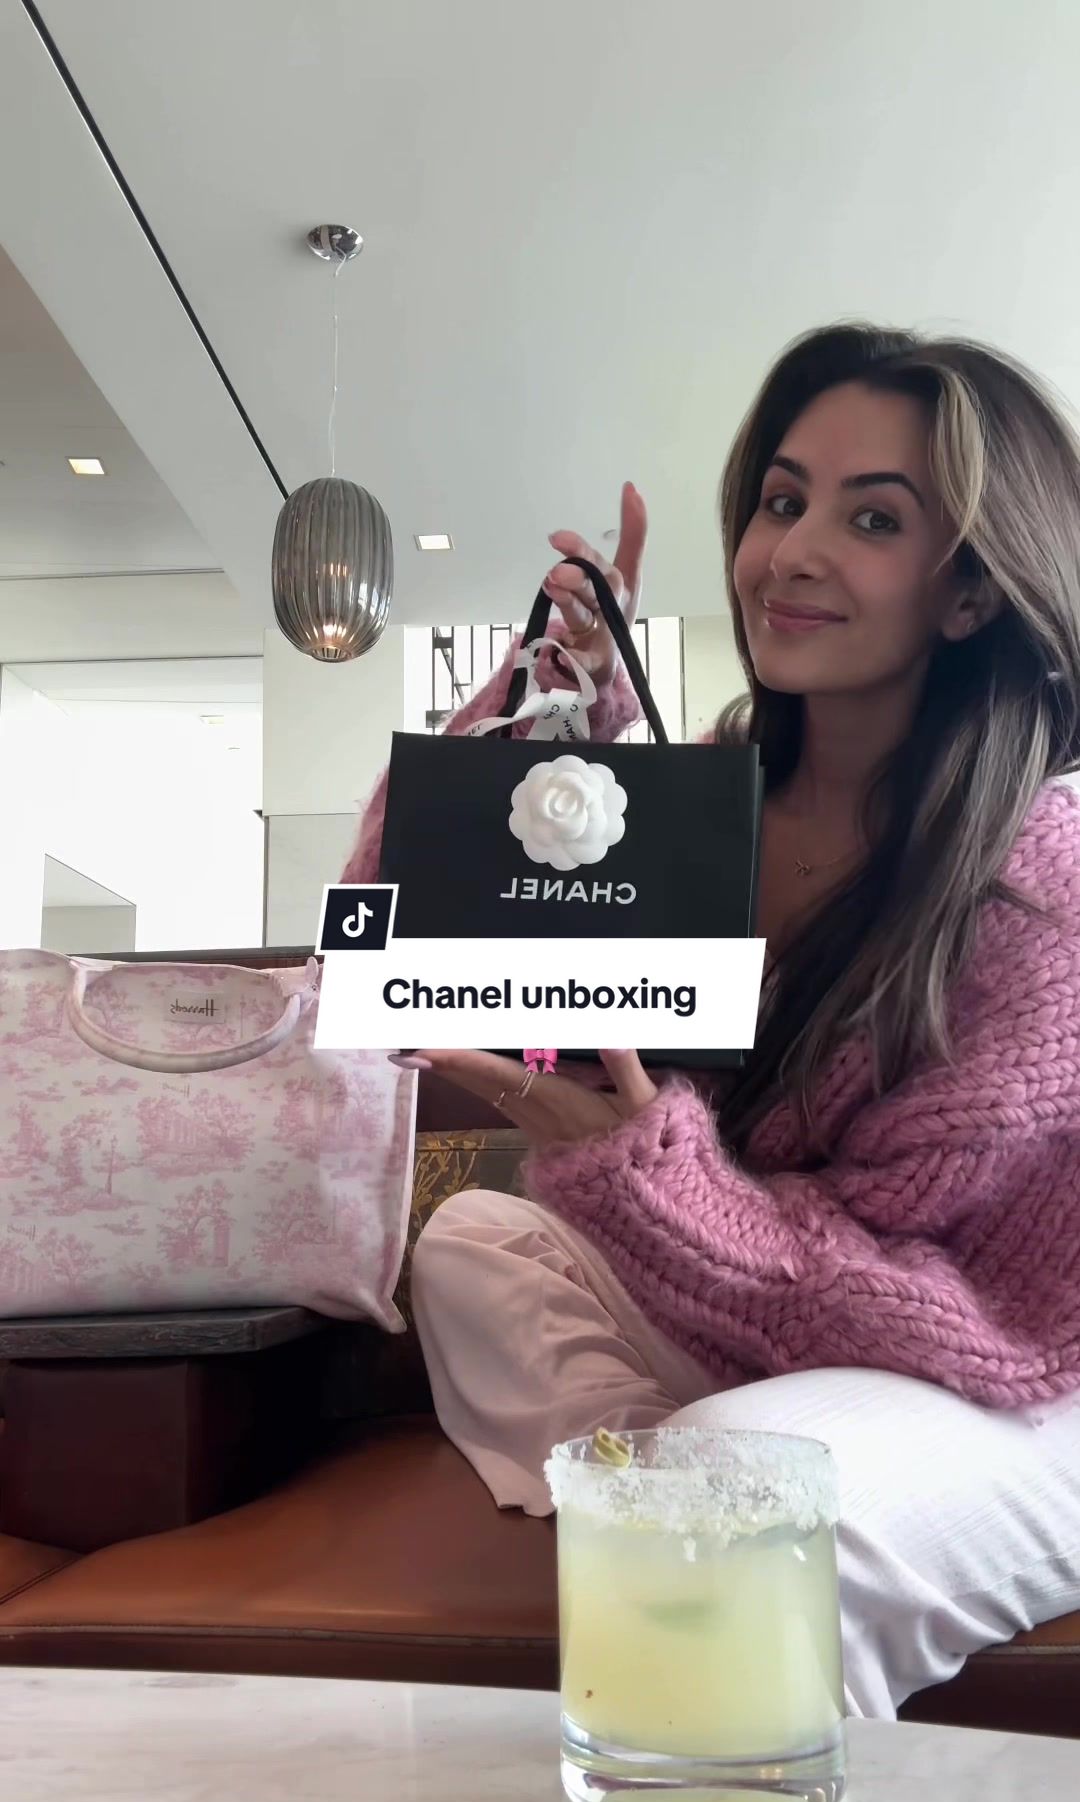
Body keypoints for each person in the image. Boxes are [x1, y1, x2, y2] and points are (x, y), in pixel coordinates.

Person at [343, 323, 1080, 1718]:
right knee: (476, 1241)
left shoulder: (1044, 877)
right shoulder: (706, 800)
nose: (791, 552)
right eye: (782, 500)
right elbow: (397, 941)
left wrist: (644, 1177)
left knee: (738, 1493)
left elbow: (952, 1314)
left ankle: (701, 1540)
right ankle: (677, 1532)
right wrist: (553, 719)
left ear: (973, 590)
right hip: (775, 1318)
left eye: (874, 519)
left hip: (1014, 1370)